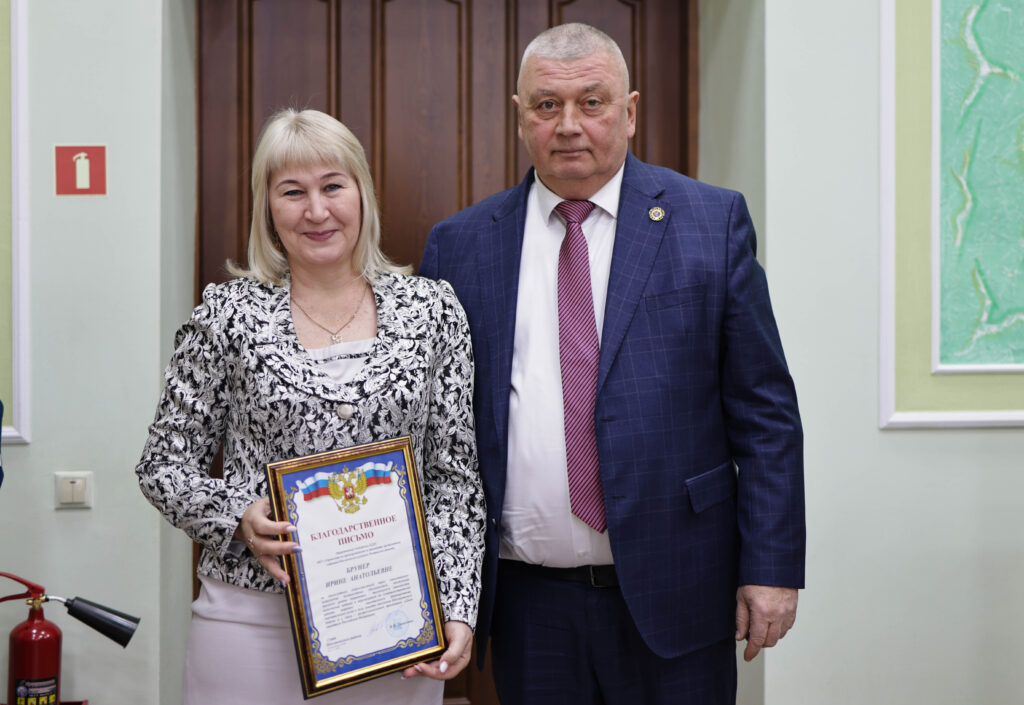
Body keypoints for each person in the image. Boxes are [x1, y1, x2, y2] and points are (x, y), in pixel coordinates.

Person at [420, 23, 804, 705]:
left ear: (628, 112)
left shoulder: (709, 222)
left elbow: (765, 415)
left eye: (591, 103)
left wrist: (771, 567)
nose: (569, 125)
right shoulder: (460, 246)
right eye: (547, 105)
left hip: (679, 591)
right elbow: (437, 431)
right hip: (528, 604)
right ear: (520, 117)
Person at [136, 108, 484, 705]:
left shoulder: (433, 310)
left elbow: (454, 477)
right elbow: (162, 464)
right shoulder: (227, 315)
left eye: (332, 186)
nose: (316, 211)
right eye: (293, 192)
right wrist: (237, 514)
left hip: (395, 622)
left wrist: (456, 604)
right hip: (250, 621)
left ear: (362, 193)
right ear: (268, 208)